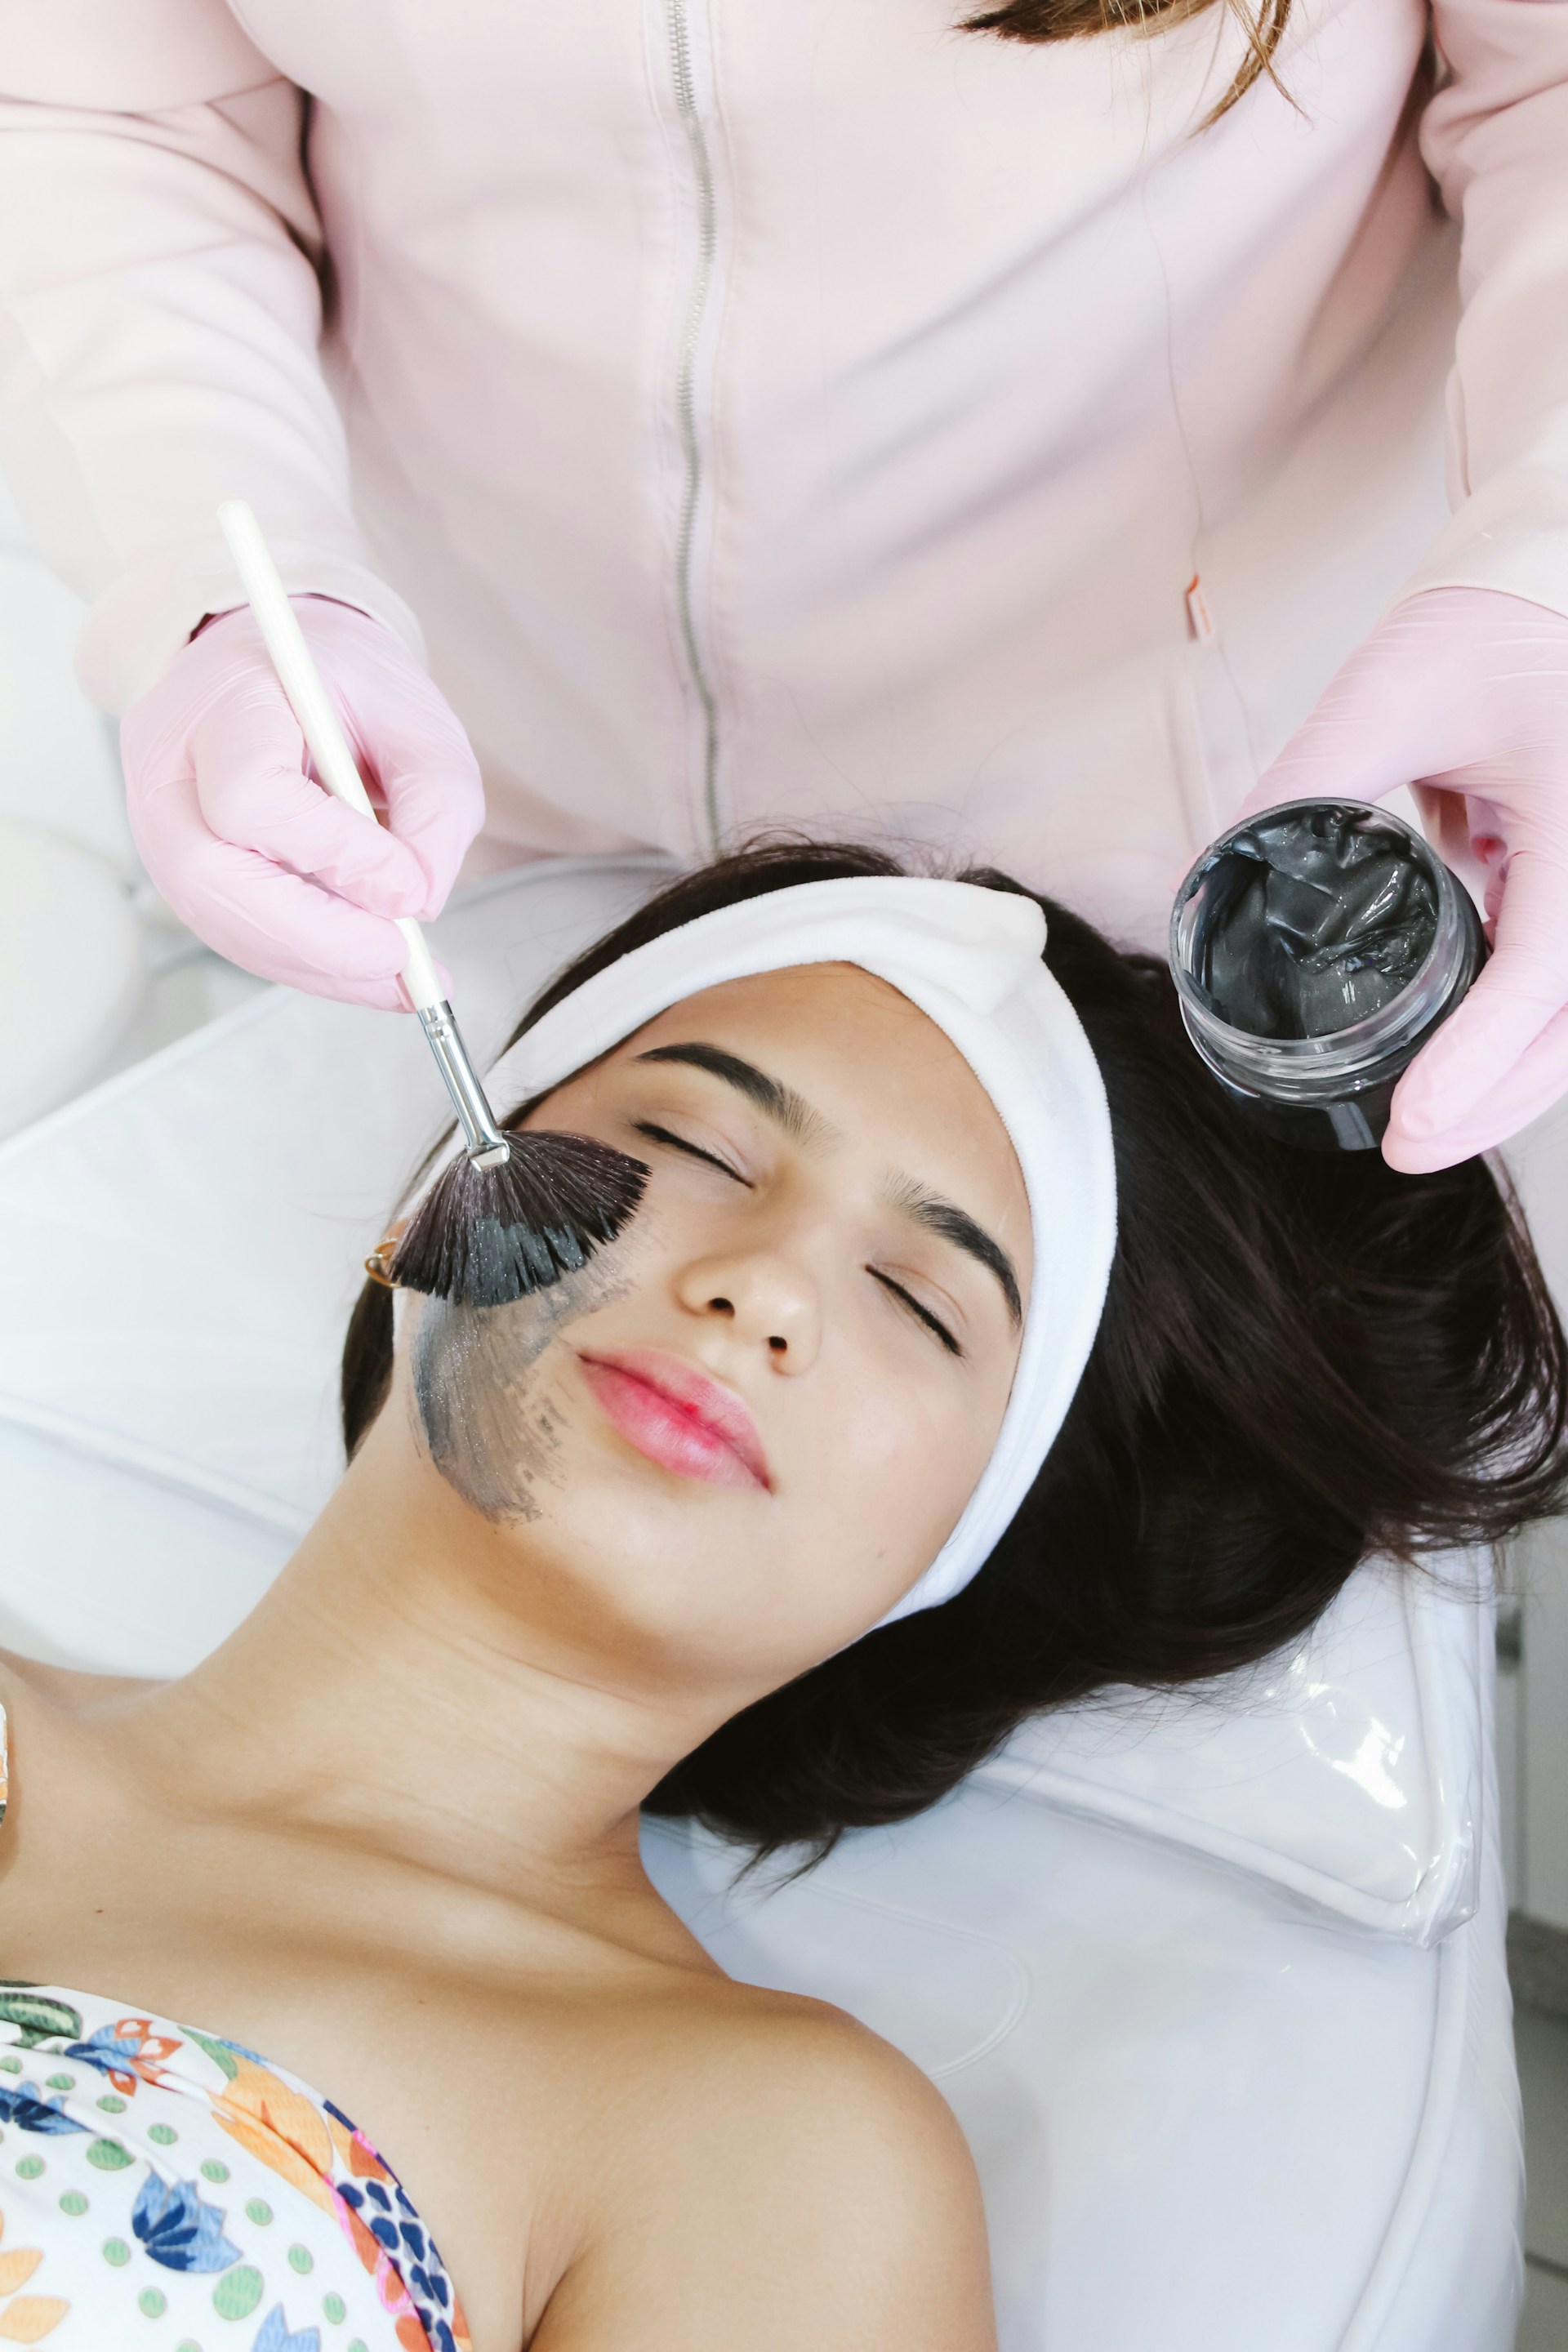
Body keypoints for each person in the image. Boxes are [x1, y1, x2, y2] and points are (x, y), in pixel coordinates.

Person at [0, 843, 1561, 2350]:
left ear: (953, 1553)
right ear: (437, 1201)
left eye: (919, 1302)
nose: (764, 1285)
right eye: (697, 1146)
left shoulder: (761, 2156)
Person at [2, 0, 1568, 1174]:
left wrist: (1548, 560)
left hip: (1178, 805)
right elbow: (113, 113)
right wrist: (225, 568)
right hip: (461, 755)